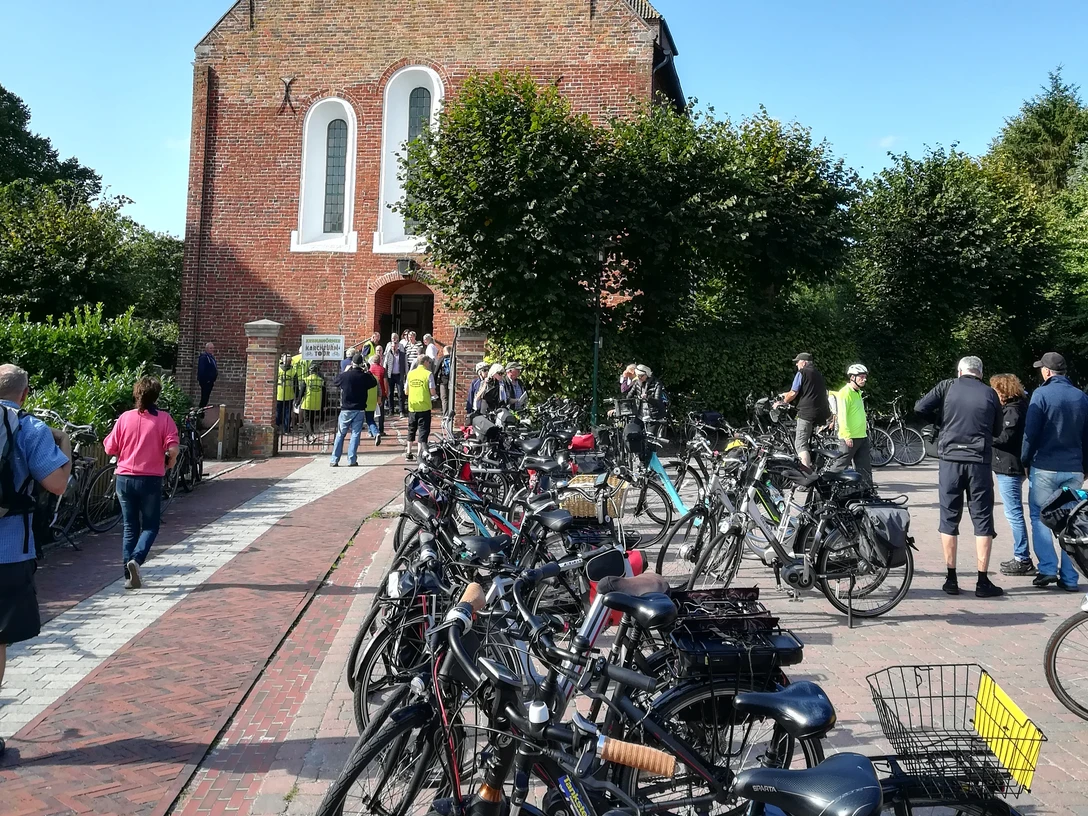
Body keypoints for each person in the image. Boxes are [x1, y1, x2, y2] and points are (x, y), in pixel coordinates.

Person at [0, 364, 71, 758]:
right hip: (8, 551)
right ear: (25, 394)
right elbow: (57, 484)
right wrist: (66, 450)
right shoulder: (30, 429)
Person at [915, 356, 1004, 598]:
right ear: (981, 373)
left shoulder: (946, 386)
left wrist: (941, 422)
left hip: (950, 461)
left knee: (949, 516)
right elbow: (997, 430)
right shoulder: (990, 393)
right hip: (979, 462)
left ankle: (951, 578)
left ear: (959, 371)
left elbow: (919, 407)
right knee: (983, 518)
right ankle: (982, 581)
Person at [103, 375, 181, 591]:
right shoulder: (164, 419)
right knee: (151, 525)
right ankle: (136, 560)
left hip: (124, 478)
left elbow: (110, 448)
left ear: (136, 394)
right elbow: (173, 449)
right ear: (156, 396)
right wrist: (169, 462)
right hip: (150, 479)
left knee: (129, 527)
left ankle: (129, 576)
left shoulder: (124, 418)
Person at [1022, 351, 1088, 592]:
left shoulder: (1041, 394)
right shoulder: (1081, 397)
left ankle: (1048, 568)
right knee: (1071, 520)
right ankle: (1070, 577)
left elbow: (1031, 432)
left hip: (1045, 465)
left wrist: (1025, 460)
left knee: (1040, 516)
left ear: (1047, 372)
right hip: (1073, 466)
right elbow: (1087, 435)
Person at [990, 373, 1032, 576]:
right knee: (1014, 512)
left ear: (1003, 390)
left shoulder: (1013, 411)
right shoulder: (1020, 406)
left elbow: (1005, 437)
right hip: (1011, 465)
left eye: (995, 390)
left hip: (1009, 466)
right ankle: (1021, 555)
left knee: (1013, 513)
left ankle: (1022, 557)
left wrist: (984, 435)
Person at [777, 352, 830, 469]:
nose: (796, 364)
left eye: (797, 362)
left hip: (807, 413)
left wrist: (782, 402)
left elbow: (793, 393)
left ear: (804, 362)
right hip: (822, 413)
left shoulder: (802, 373)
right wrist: (783, 395)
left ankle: (806, 476)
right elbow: (808, 391)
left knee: (800, 444)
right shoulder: (818, 374)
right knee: (809, 442)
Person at [331, 355, 380, 467]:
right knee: (355, 434)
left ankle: (334, 460)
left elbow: (335, 381)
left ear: (352, 363)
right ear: (361, 363)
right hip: (359, 409)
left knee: (340, 434)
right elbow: (373, 382)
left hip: (346, 409)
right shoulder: (364, 376)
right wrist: (368, 371)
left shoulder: (345, 376)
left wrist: (345, 371)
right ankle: (352, 459)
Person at [831, 364, 872, 485]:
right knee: (840, 465)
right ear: (852, 377)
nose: (864, 379)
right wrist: (846, 435)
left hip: (861, 436)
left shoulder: (858, 392)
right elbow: (842, 415)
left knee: (864, 468)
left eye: (865, 377)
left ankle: (867, 492)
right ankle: (825, 487)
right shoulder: (845, 393)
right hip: (850, 437)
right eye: (861, 377)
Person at [405, 356, 437, 460]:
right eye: (429, 362)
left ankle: (408, 452)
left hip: (412, 406)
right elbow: (432, 391)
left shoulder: (410, 374)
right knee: (423, 431)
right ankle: (419, 453)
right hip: (424, 406)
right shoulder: (428, 374)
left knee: (411, 429)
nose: (429, 364)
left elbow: (406, 391)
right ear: (425, 362)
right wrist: (434, 395)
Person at [632, 364, 668, 436]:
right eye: (638, 375)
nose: (639, 378)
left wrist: (647, 398)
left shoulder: (657, 384)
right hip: (640, 415)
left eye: (641, 376)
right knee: (634, 435)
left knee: (650, 441)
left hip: (653, 416)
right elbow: (629, 396)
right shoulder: (637, 383)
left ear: (647, 374)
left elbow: (657, 402)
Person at [299, 362, 325, 440]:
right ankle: (307, 437)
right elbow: (324, 394)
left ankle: (312, 434)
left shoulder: (306, 380)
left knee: (306, 420)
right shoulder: (321, 380)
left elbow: (301, 392)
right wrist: (323, 405)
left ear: (310, 371)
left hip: (307, 402)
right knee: (311, 420)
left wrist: (298, 401)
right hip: (316, 403)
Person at [384, 336, 407, 415]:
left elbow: (405, 365)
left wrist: (406, 374)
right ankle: (391, 411)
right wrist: (385, 375)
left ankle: (401, 411)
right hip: (390, 376)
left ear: (398, 347)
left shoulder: (402, 354)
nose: (393, 348)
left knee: (401, 393)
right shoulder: (388, 354)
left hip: (399, 375)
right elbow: (385, 364)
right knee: (390, 394)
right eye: (392, 346)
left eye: (395, 346)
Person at [369, 352, 389, 439]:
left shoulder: (370, 370)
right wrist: (386, 391)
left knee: (370, 412)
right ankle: (381, 430)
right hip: (381, 394)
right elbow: (385, 382)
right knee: (381, 413)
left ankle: (371, 431)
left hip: (371, 393)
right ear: (380, 360)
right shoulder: (383, 369)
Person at [276, 354, 297, 433]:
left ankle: (277, 427)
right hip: (289, 395)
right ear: (290, 362)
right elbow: (295, 384)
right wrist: (297, 395)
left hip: (279, 394)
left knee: (278, 412)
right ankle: (286, 429)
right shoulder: (293, 371)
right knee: (287, 413)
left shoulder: (277, 369)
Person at [197, 342, 218, 408]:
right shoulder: (204, 357)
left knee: (206, 397)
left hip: (210, 381)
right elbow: (202, 369)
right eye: (210, 348)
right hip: (206, 381)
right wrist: (206, 380)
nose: (212, 349)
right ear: (206, 349)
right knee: (204, 397)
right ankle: (200, 412)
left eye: (213, 348)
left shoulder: (211, 357)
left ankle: (201, 411)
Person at [435, 345, 452, 416]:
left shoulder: (442, 359)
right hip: (452, 381)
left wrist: (434, 382)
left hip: (443, 381)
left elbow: (436, 371)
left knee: (444, 398)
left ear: (444, 351)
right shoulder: (453, 359)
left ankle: (445, 415)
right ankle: (451, 413)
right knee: (451, 397)